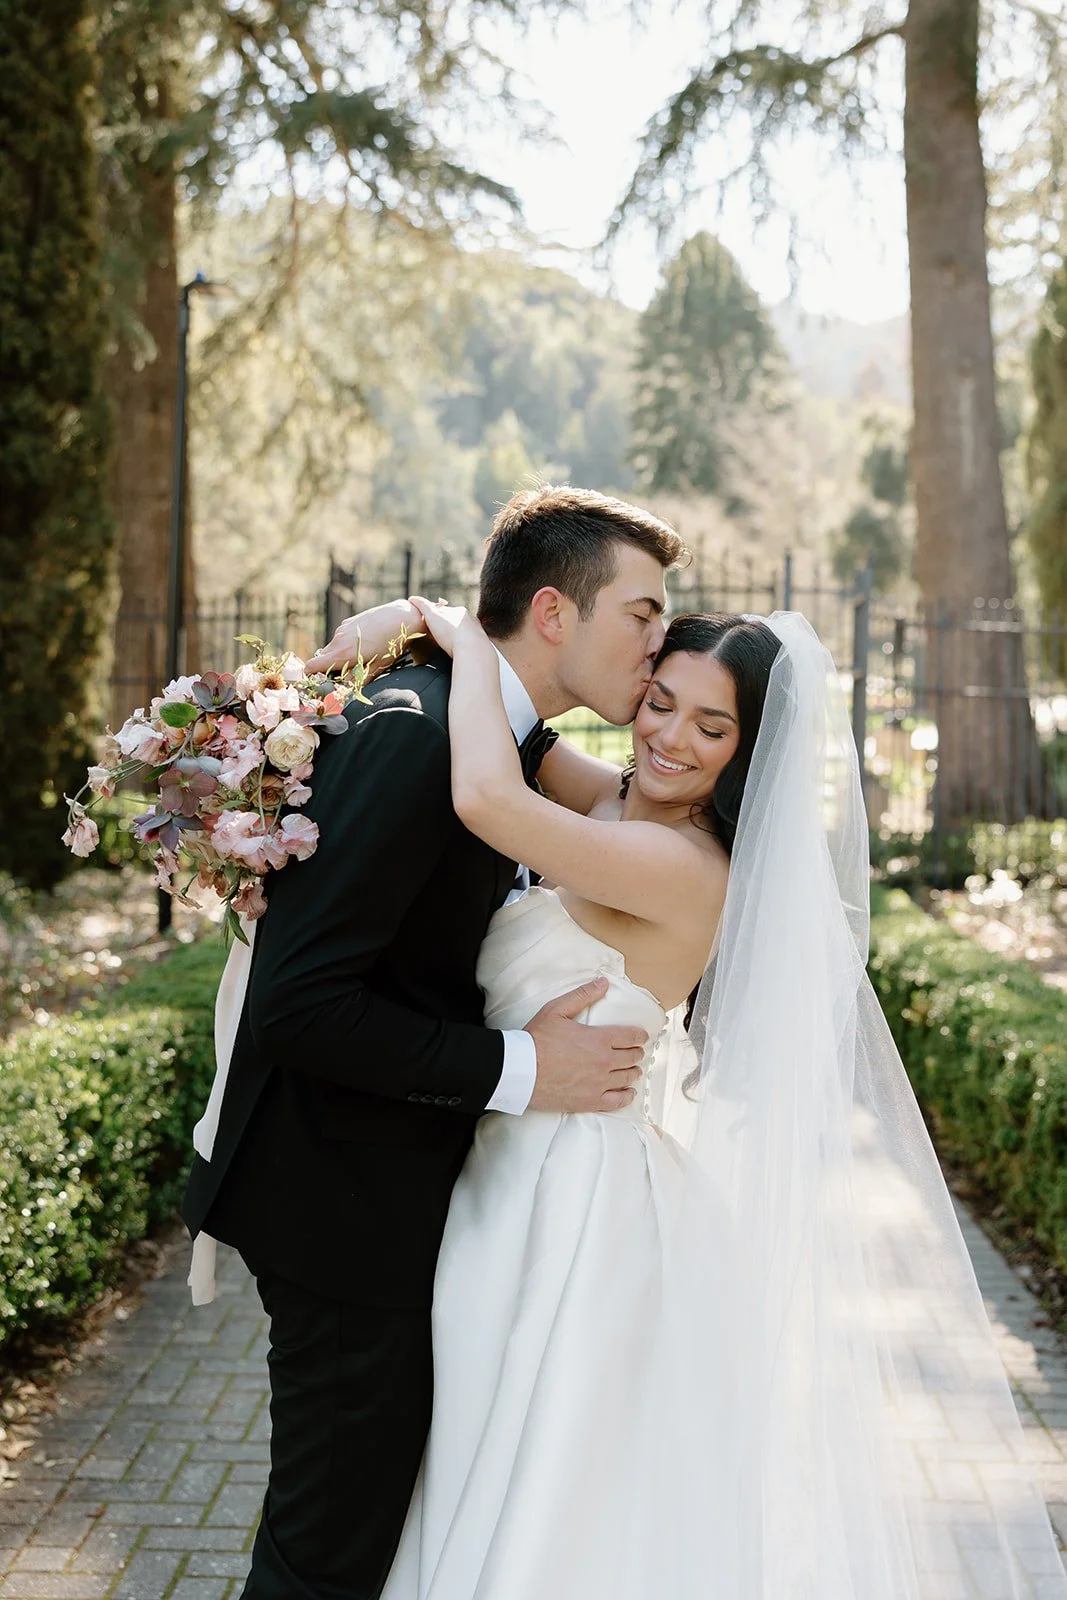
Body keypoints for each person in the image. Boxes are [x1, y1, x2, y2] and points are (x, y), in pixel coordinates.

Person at [315, 595, 1067, 1600]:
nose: (670, 737)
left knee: (539, 1469)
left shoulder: (680, 864)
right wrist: (420, 635)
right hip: (513, 1164)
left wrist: (444, 626)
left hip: (567, 1195)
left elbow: (491, 796)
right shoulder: (622, 804)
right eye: (660, 702)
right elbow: (530, 738)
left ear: (747, 753)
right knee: (482, 1443)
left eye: (710, 727)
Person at [180, 485, 686, 1600]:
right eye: (642, 613)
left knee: (355, 1536)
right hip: (338, 1207)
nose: (658, 645)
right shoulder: (416, 739)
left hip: (390, 1196)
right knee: (326, 1557)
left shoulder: (487, 739)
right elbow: (299, 1006)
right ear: (553, 613)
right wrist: (524, 1069)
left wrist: (429, 615)